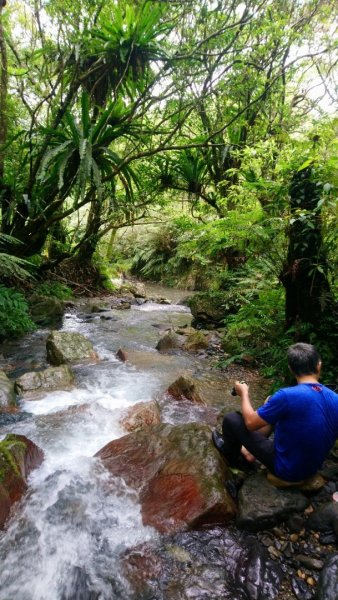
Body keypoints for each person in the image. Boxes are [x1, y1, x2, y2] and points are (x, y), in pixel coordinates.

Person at [212, 343, 338, 482]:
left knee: (231, 418)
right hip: (312, 468)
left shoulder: (287, 395)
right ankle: (249, 451)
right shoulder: (334, 398)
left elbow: (250, 424)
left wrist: (244, 393)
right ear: (319, 365)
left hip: (286, 469)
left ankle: (229, 452)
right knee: (271, 401)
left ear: (291, 369)